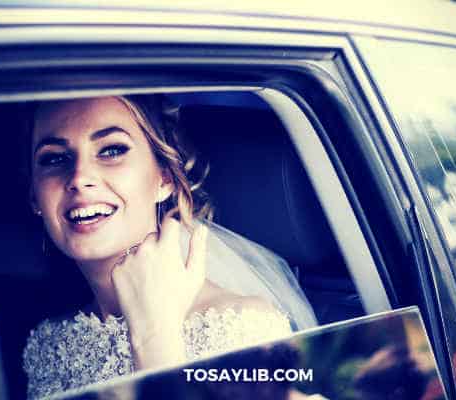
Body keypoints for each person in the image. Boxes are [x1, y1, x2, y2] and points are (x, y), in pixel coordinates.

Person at [22, 95, 317, 399]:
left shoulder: (242, 329)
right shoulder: (49, 345)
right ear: (35, 196)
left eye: (111, 150)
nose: (80, 178)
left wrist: (154, 339)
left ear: (164, 177)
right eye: (54, 158)